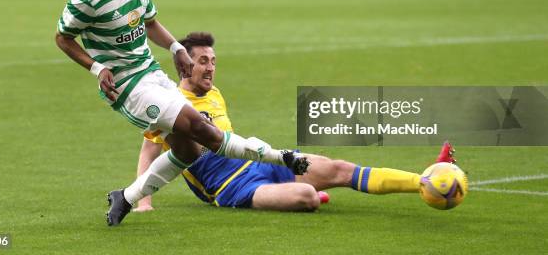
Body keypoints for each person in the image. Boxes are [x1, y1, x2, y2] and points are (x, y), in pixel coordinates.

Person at [55, 0, 308, 226]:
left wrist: (176, 47)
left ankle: (125, 197)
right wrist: (97, 68)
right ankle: (282, 156)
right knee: (201, 128)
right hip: (129, 88)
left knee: (189, 151)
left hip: (152, 74)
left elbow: (150, 23)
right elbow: (63, 38)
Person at [134, 32, 458, 212]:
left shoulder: (213, 92)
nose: (210, 68)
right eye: (202, 61)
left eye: (213, 61)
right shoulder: (170, 106)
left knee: (339, 168)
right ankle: (304, 190)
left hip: (260, 160)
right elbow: (149, 152)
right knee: (307, 199)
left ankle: (424, 180)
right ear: (184, 63)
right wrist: (142, 201)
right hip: (231, 187)